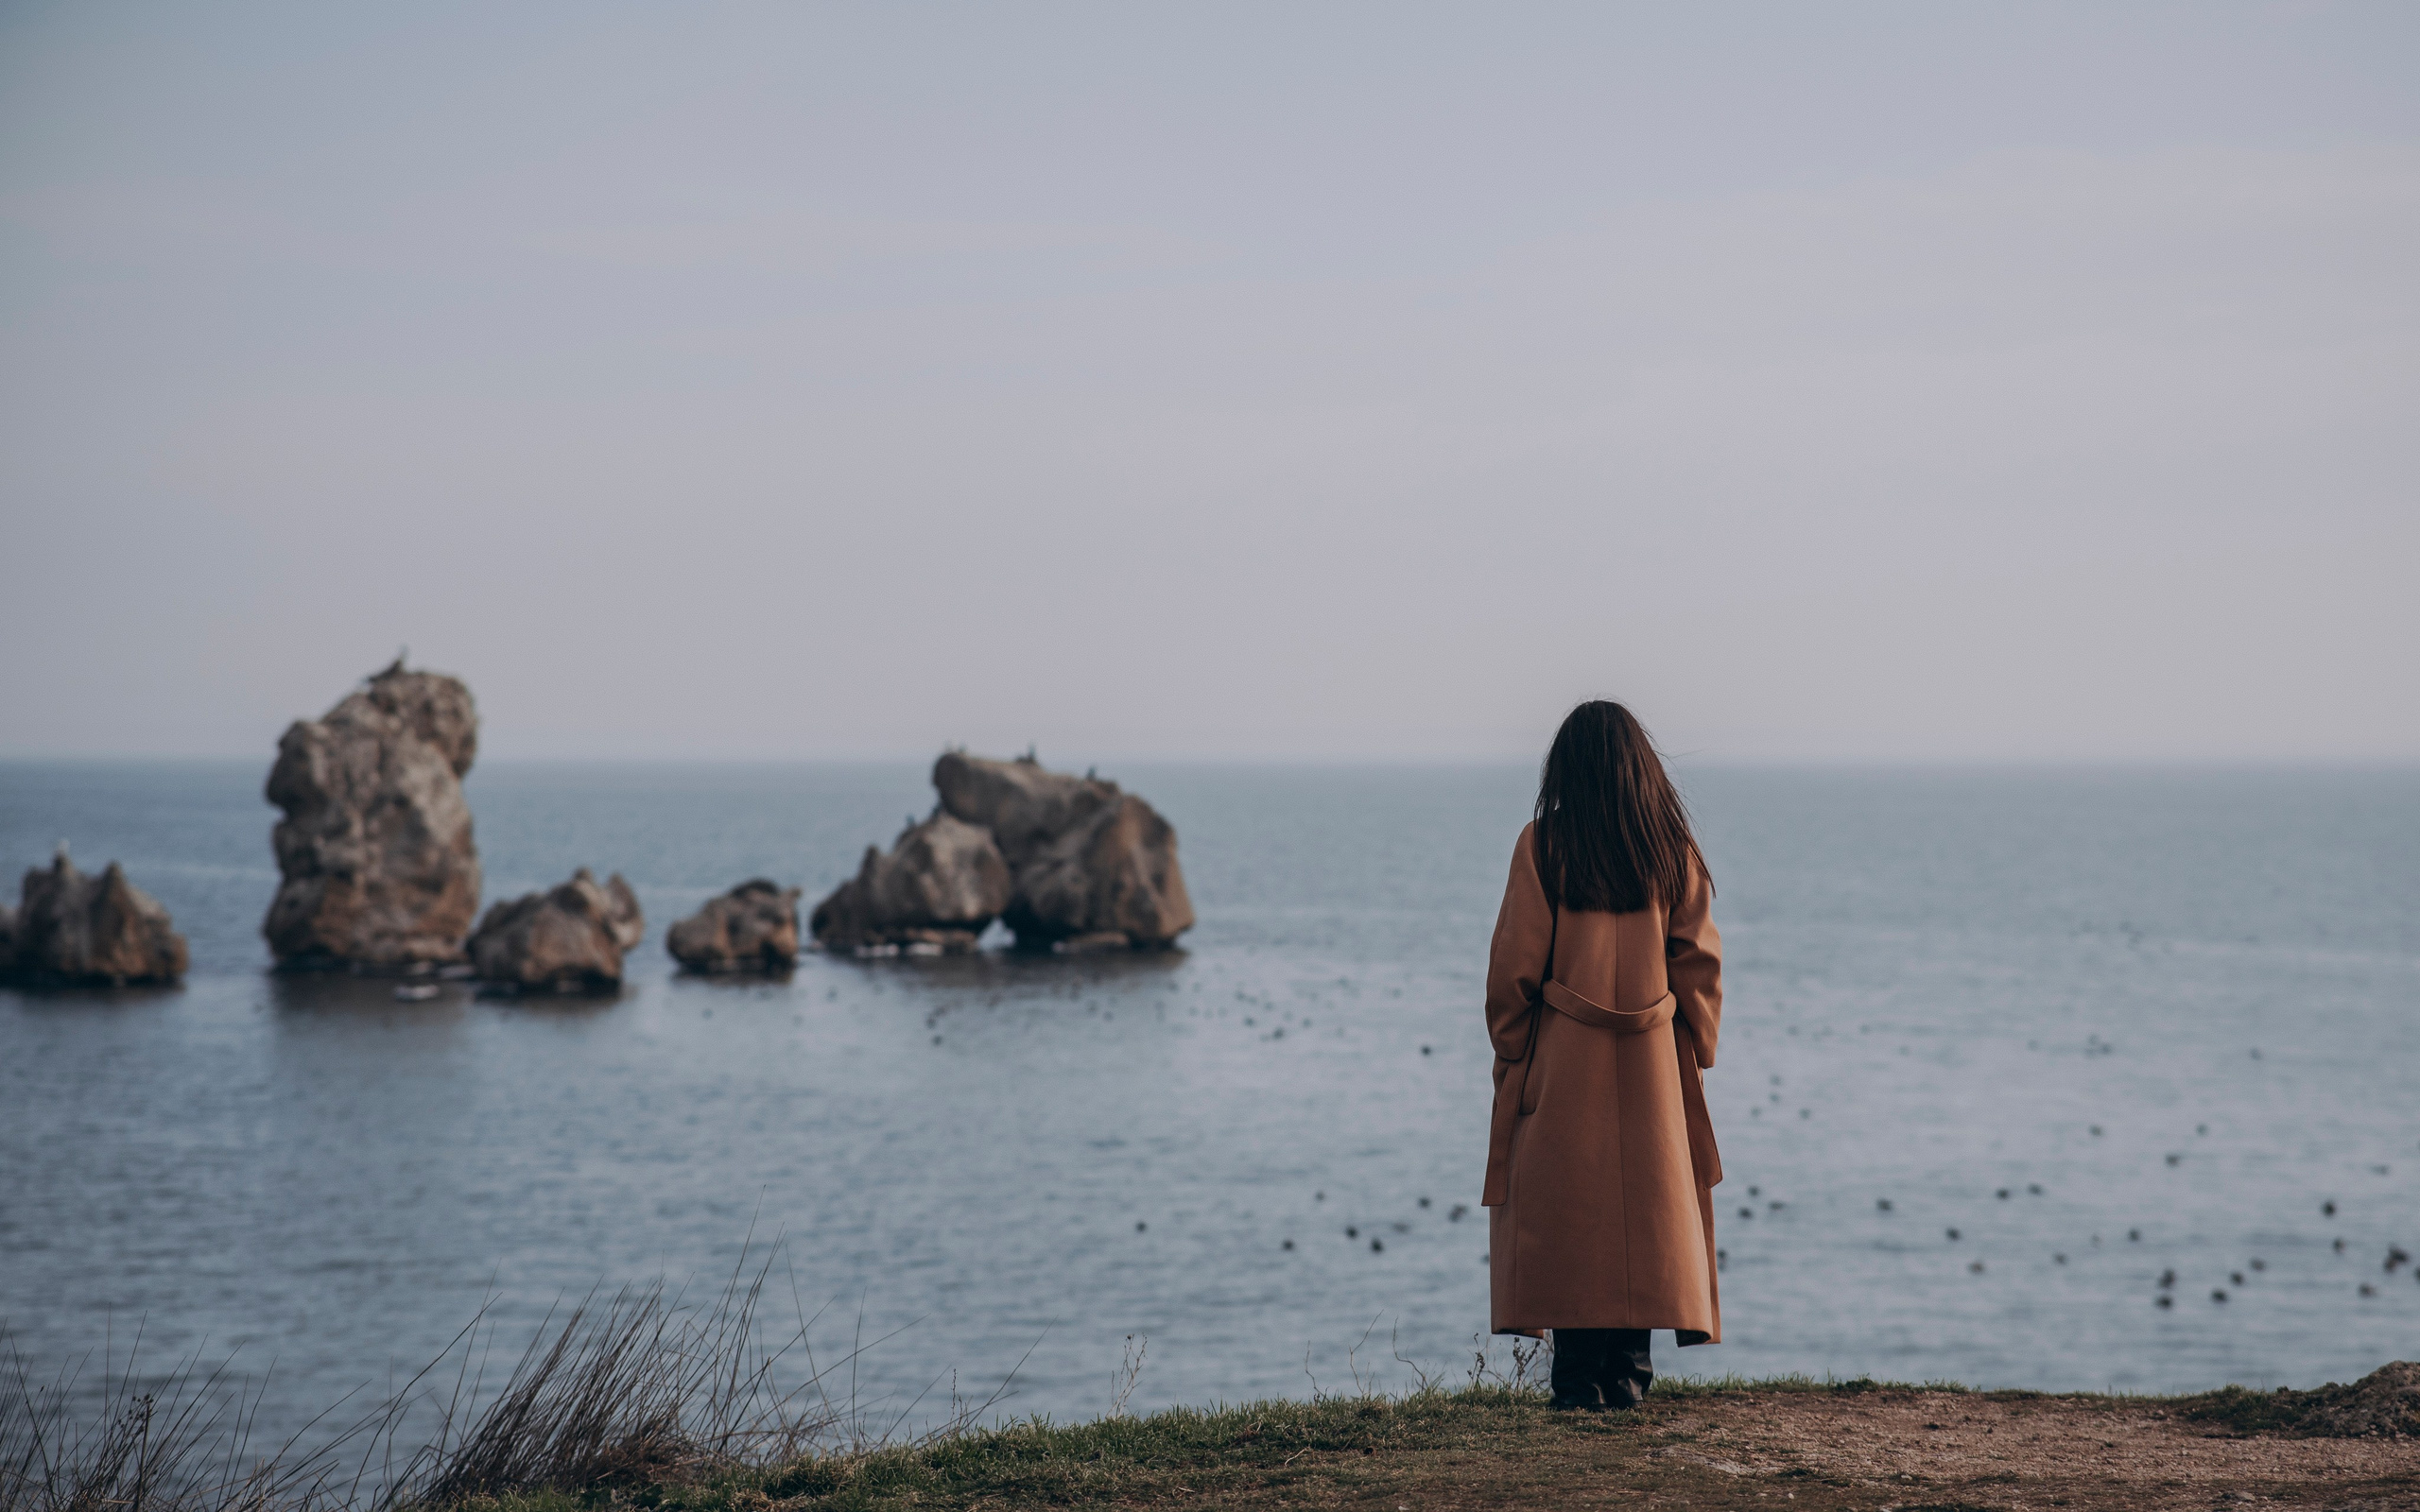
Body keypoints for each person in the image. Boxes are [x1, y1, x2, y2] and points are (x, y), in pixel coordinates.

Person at [1481, 700, 1724, 1411]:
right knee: (1646, 1221)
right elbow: (1699, 964)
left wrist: (1515, 1048)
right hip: (1654, 1062)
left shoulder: (1543, 845)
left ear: (1567, 770)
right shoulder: (1671, 848)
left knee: (1568, 1216)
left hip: (1564, 1061)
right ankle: (1628, 1378)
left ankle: (1576, 1382)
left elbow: (1512, 974)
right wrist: (1694, 1046)